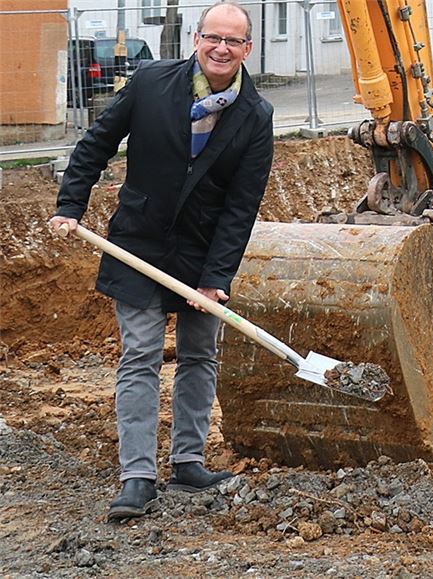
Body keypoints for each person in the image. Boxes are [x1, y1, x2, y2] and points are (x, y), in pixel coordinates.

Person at [49, 0, 274, 522]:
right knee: (141, 353)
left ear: (247, 49)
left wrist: (217, 280)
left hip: (201, 253)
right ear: (197, 39)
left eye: (233, 41)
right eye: (212, 37)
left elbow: (241, 208)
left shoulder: (255, 117)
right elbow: (96, 143)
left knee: (199, 355)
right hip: (138, 243)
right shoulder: (151, 82)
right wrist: (69, 206)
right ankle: (137, 477)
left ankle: (189, 462)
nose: (221, 48)